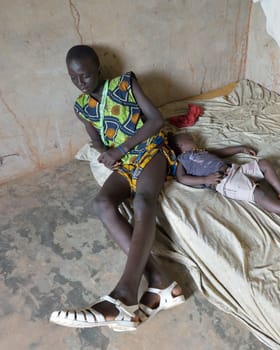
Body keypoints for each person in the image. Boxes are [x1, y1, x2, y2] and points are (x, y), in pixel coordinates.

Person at [49, 45, 185, 332]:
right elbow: (95, 138)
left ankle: (124, 294)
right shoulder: (82, 106)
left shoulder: (125, 84)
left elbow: (157, 121)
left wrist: (122, 147)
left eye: (85, 76)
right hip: (124, 161)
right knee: (101, 204)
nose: (80, 83)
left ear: (98, 69)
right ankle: (161, 283)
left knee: (143, 202)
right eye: (73, 78)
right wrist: (103, 151)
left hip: (150, 150)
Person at [169, 132, 280, 221]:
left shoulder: (203, 151)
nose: (193, 138)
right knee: (258, 194)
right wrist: (204, 180)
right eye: (189, 138)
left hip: (235, 169)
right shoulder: (182, 160)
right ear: (181, 145)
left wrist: (241, 148)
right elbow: (182, 178)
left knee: (264, 164)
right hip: (224, 181)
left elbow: (222, 152)